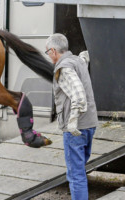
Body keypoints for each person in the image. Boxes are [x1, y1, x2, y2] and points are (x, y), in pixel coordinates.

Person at [45, 33, 98, 200]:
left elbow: (79, 94)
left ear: (53, 50)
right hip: (90, 124)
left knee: (75, 175)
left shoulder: (63, 68)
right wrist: (85, 56)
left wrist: (73, 121)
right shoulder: (77, 61)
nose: (48, 56)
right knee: (80, 169)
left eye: (47, 52)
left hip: (76, 129)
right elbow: (84, 61)